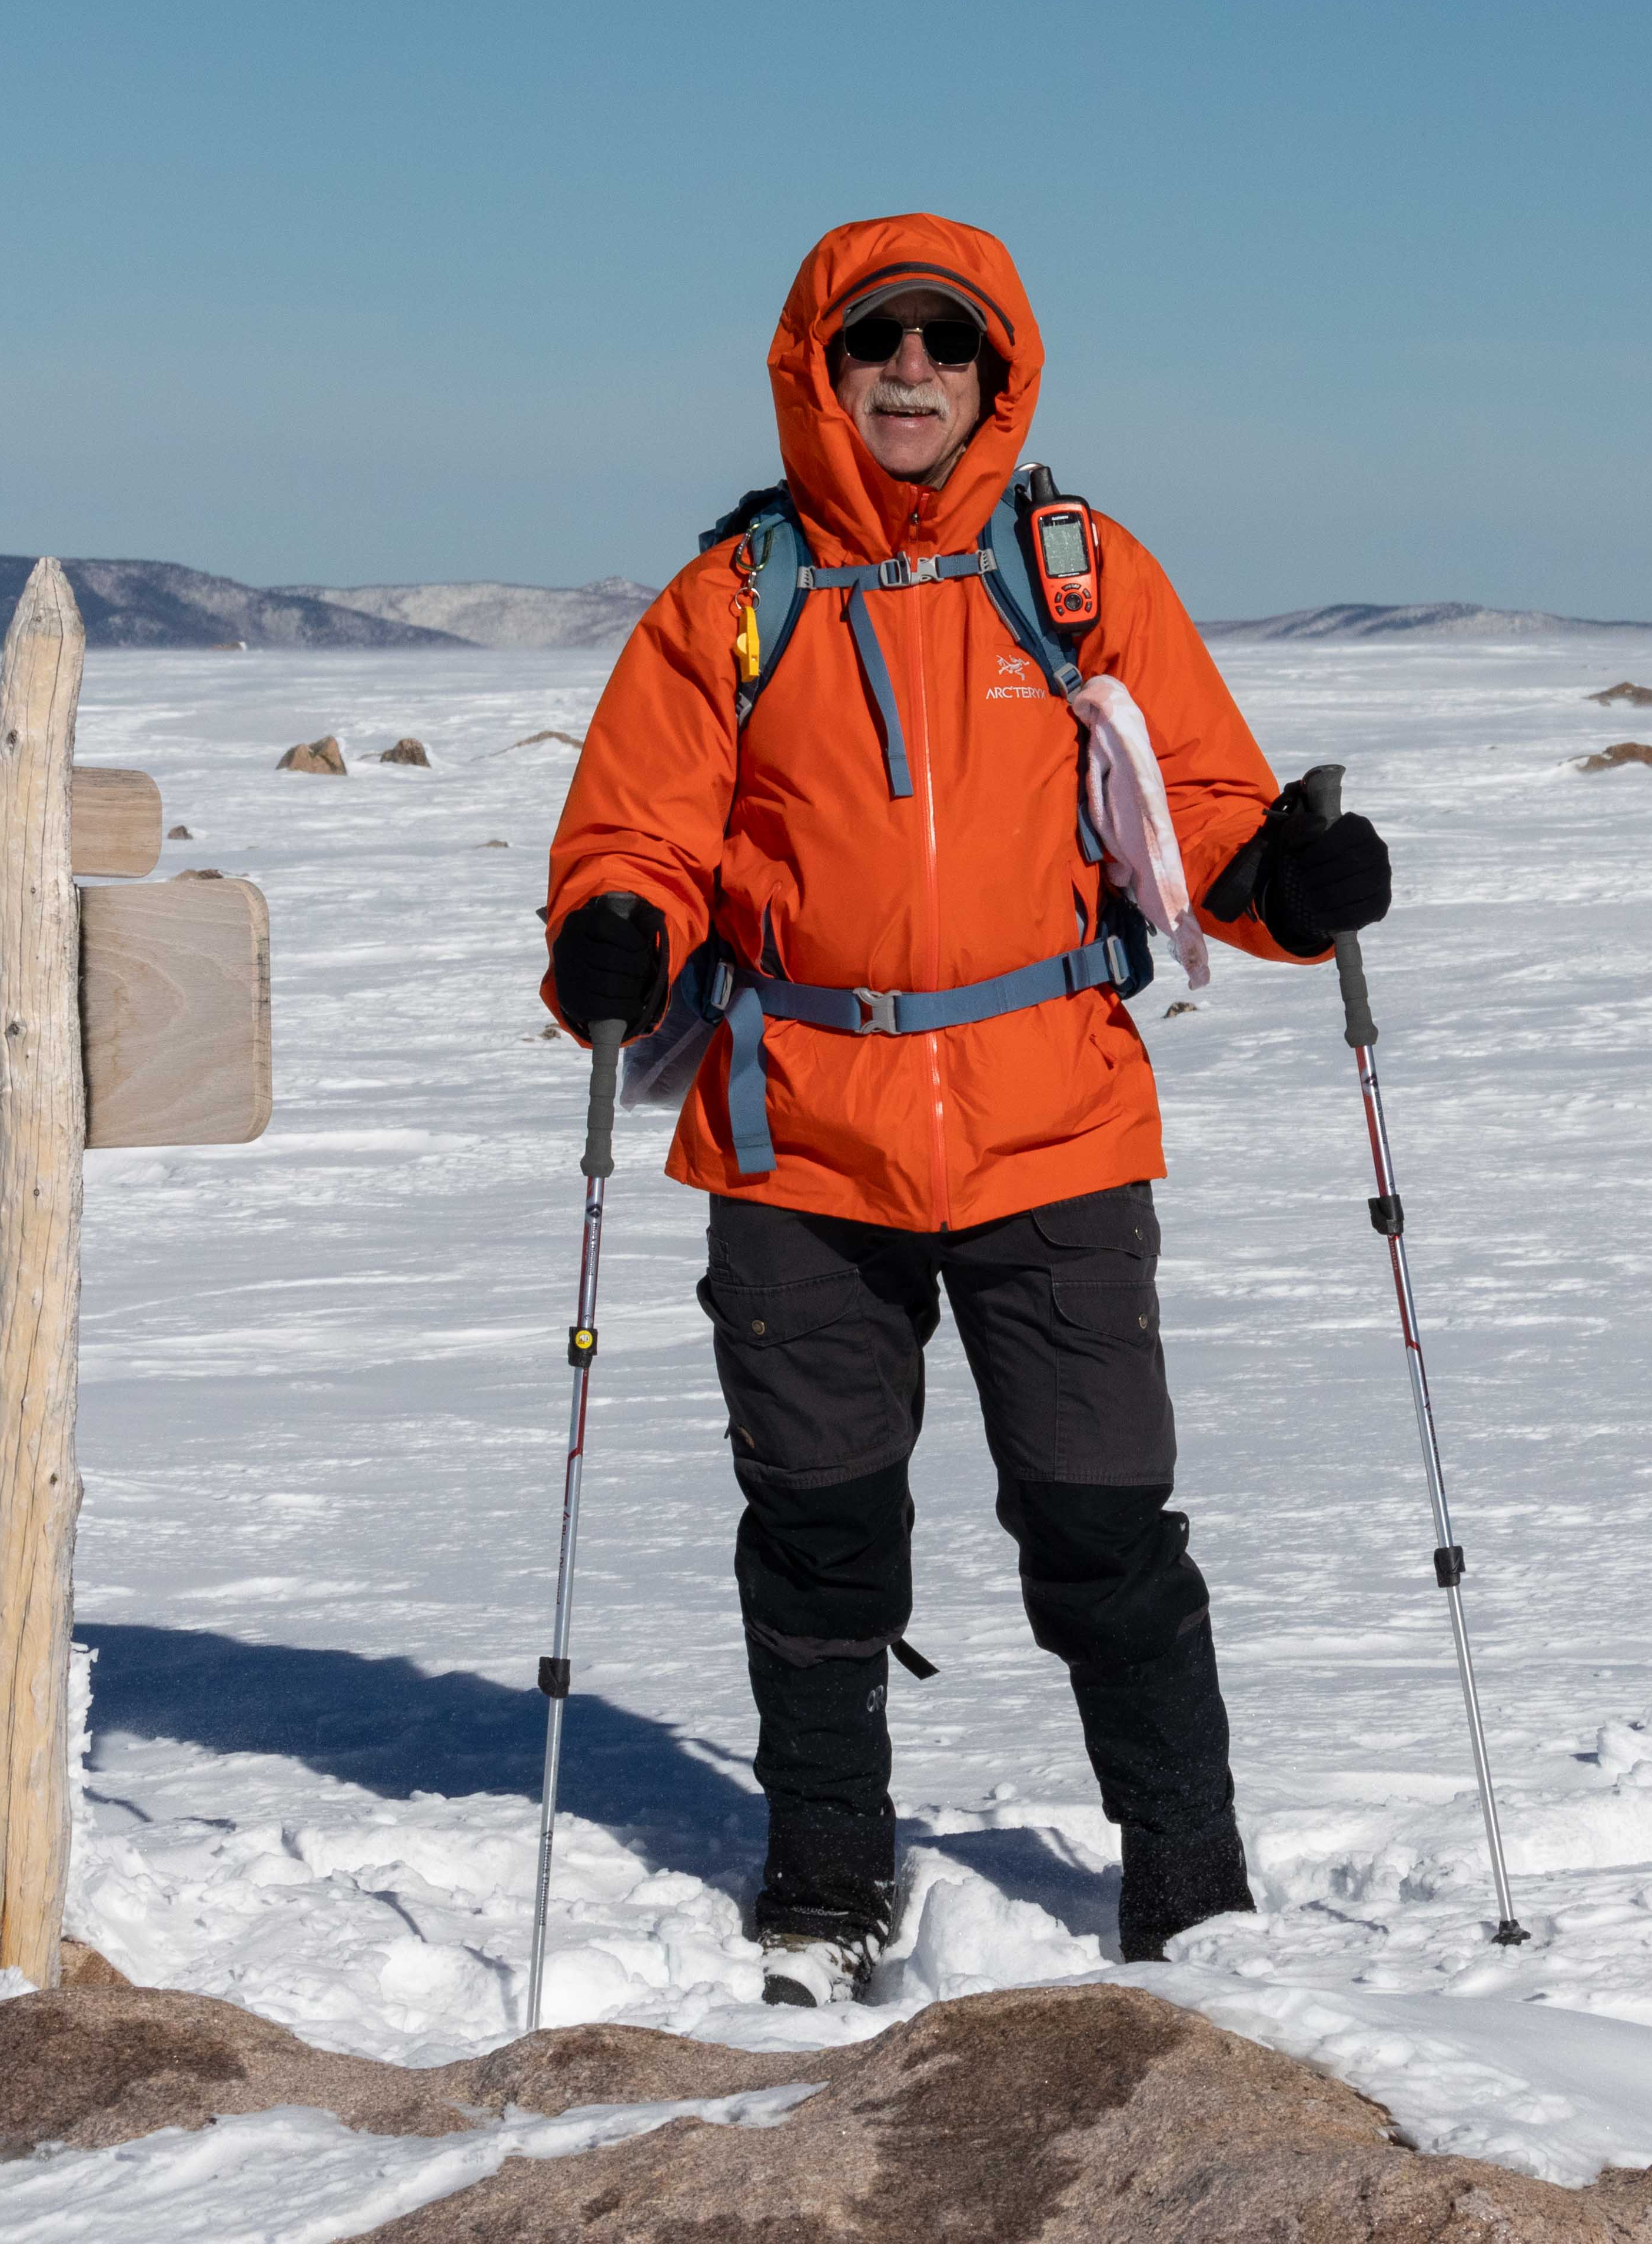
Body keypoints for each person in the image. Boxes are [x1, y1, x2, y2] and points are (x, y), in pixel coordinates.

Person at [539, 213, 1394, 2004]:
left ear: (998, 376)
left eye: (947, 345)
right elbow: (639, 831)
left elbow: (1207, 808)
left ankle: (1189, 1887)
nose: (910, 374)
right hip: (802, 1133)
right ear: (820, 374)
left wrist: (1289, 889)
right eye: (876, 346)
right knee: (824, 1528)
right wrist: (616, 931)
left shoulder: (1082, 575)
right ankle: (829, 1873)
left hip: (1054, 1118)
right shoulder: (733, 600)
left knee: (1101, 1523)